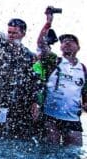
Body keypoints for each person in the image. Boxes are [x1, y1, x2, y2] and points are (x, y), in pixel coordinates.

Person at [32, 8, 86, 147]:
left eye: (71, 41)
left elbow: (85, 95)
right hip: (50, 117)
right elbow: (41, 44)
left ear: (78, 47)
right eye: (64, 41)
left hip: (73, 119)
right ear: (60, 47)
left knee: (73, 152)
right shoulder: (53, 61)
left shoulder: (84, 69)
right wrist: (48, 22)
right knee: (51, 151)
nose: (67, 42)